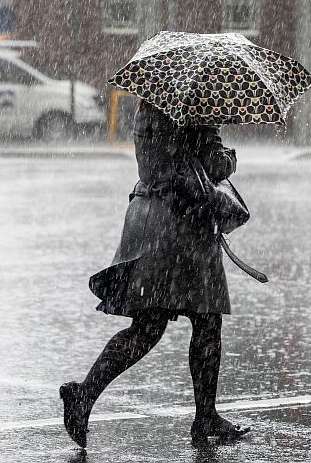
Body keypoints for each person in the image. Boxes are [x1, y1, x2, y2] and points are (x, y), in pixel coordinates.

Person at [60, 100, 250, 448]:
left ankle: (85, 395)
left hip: (150, 217)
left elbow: (157, 163)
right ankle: (203, 415)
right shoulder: (199, 104)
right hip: (181, 224)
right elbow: (212, 164)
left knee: (149, 326)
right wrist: (229, 156)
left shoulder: (152, 102)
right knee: (204, 322)